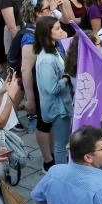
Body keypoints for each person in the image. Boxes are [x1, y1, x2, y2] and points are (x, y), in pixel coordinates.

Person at [33, 17, 73, 163]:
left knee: (63, 143)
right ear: (46, 33)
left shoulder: (54, 49)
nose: (61, 31)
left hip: (62, 104)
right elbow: (52, 88)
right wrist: (66, 78)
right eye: (57, 28)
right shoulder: (46, 60)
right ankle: (61, 173)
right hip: (58, 108)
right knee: (61, 145)